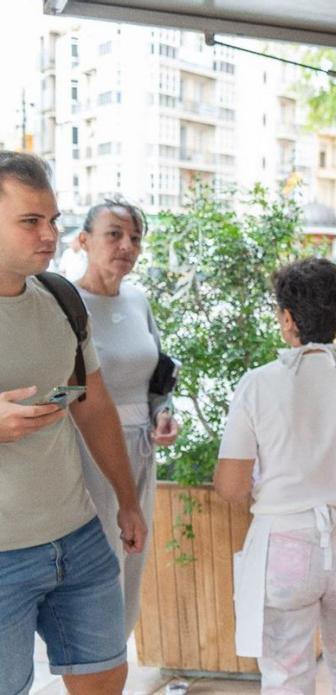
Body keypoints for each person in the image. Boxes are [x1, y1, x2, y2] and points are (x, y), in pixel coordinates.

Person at [0, 151, 147, 694]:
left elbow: (89, 402)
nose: (50, 235)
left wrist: (126, 500)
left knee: (108, 679)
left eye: (54, 221)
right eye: (30, 221)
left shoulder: (61, 299)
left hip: (78, 538)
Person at [214, 257, 336, 693]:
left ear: (287, 318)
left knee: (286, 671)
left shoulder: (256, 384)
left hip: (285, 543)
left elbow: (230, 487)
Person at [74, 198, 180, 637]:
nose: (127, 246)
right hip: (85, 452)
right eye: (113, 234)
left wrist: (163, 413)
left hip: (140, 453)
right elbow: (58, 385)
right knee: (98, 566)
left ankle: (114, 667)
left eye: (135, 237)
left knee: (133, 560)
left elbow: (157, 378)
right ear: (83, 240)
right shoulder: (64, 301)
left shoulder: (138, 300)